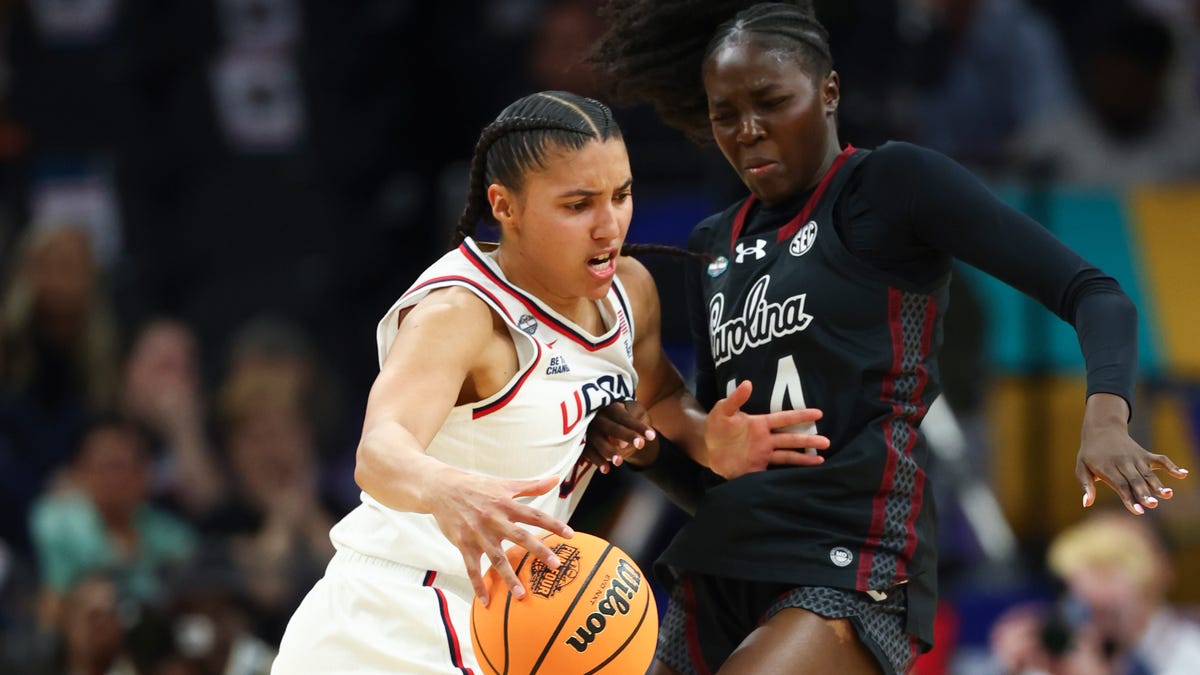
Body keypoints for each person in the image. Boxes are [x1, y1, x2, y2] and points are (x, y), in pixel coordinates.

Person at [584, 2, 1191, 673]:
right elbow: (719, 471)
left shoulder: (888, 184)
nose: (748, 130)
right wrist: (645, 450)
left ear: (829, 92)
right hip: (725, 564)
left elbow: (1093, 292)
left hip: (853, 557)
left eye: (770, 101)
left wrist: (1108, 411)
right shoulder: (712, 245)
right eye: (725, 113)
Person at [270, 89, 827, 674]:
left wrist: (707, 438)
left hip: (507, 623)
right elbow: (379, 452)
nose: (608, 225)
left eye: (622, 195)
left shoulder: (629, 290)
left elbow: (657, 396)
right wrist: (446, 488)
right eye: (578, 204)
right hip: (385, 617)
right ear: (505, 206)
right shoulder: (461, 314)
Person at [990, 509, 1200, 675]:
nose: (1096, 585)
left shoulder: (1192, 654)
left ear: (1163, 570)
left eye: (1116, 562)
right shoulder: (1062, 653)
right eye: (1088, 560)